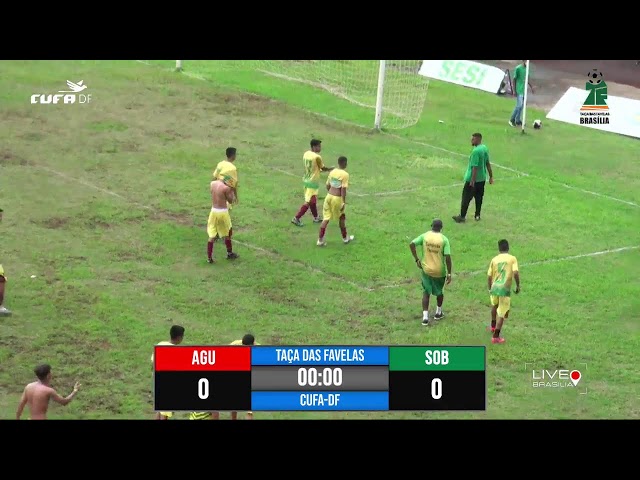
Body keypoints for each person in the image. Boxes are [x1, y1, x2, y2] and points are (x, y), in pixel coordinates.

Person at [409, 219, 452, 326]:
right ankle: (438, 312)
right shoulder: (444, 239)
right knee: (439, 292)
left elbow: (412, 244)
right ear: (441, 228)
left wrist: (416, 259)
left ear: (431, 226)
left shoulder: (425, 236)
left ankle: (425, 317)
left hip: (426, 270)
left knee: (426, 292)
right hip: (439, 271)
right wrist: (449, 273)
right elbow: (447, 257)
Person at [452, 133, 493, 223]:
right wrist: (490, 176)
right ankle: (477, 215)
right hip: (482, 179)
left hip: (473, 180)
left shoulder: (475, 152)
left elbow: (475, 167)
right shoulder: (484, 148)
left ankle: (462, 217)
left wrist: (472, 181)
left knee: (466, 198)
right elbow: (487, 163)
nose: (471, 140)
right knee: (479, 198)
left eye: (473, 139)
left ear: (478, 139)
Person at [291, 139, 334, 227]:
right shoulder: (317, 157)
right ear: (314, 147)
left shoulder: (306, 153)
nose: (320, 148)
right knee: (308, 202)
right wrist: (331, 169)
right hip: (312, 182)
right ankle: (296, 218)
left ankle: (316, 217)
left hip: (306, 179)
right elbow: (323, 168)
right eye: (319, 146)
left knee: (313, 201)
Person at [16, 364, 81, 420]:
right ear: (48, 375)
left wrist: (17, 418)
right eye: (50, 372)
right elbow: (64, 402)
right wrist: (74, 391)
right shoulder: (48, 390)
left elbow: (21, 404)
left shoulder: (29, 386)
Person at [487, 239, 520, 344]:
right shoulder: (512, 258)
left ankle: (492, 326)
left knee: (494, 306)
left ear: (499, 248)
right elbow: (515, 273)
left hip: (494, 286)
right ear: (508, 247)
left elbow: (489, 276)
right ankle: (496, 336)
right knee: (502, 312)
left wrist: (489, 288)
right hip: (504, 288)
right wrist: (518, 285)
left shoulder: (494, 259)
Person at [317, 156, 354, 246]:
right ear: (345, 163)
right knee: (341, 217)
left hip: (328, 196)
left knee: (326, 219)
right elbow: (343, 189)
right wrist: (343, 202)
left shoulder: (332, 172)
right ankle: (345, 238)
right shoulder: (345, 174)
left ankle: (320, 240)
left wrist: (330, 193)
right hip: (337, 199)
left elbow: (327, 185)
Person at [151, 325, 185, 420]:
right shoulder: (176, 351)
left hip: (156, 382)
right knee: (165, 414)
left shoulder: (161, 344)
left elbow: (153, 363)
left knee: (160, 411)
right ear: (179, 337)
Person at [207, 177, 239, 263]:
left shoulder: (212, 183)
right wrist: (232, 191)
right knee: (228, 232)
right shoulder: (226, 188)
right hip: (222, 212)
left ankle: (209, 258)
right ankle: (229, 253)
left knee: (211, 235)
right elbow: (230, 200)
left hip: (213, 211)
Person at [509, 60, 534, 127]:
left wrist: (532, 87)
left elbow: (527, 79)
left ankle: (517, 120)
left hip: (524, 90)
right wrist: (514, 90)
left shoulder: (527, 68)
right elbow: (514, 79)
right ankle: (511, 119)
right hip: (519, 90)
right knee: (519, 105)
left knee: (522, 106)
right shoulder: (518, 68)